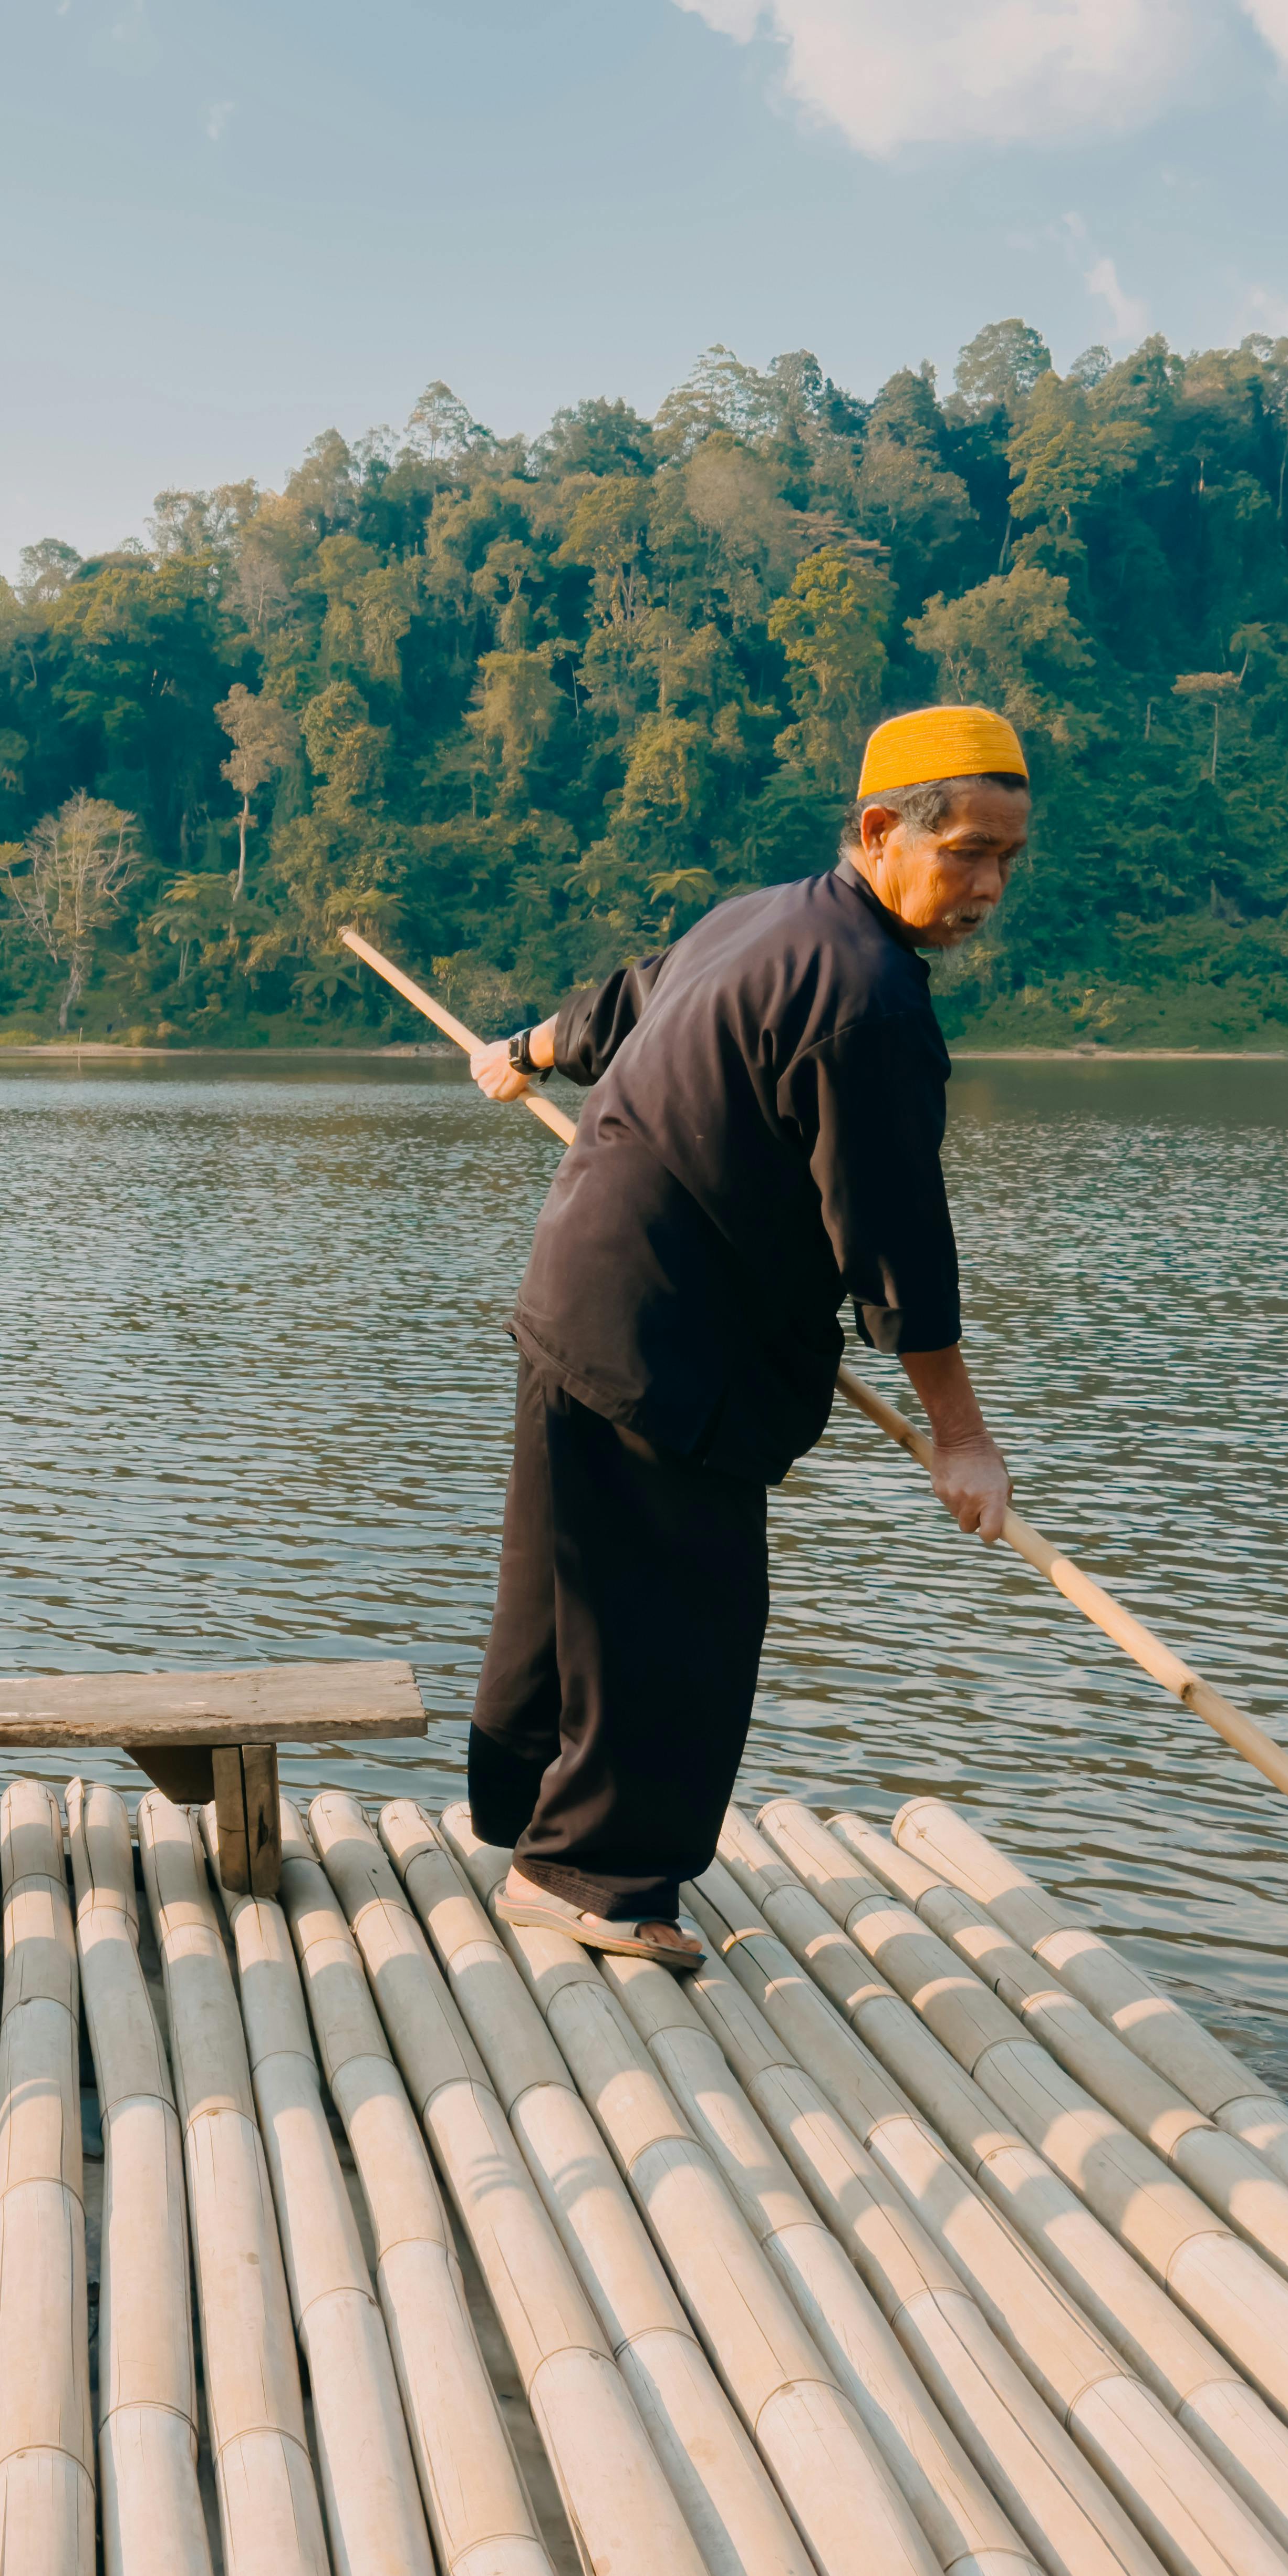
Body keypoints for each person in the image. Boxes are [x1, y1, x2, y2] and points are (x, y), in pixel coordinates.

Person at [458, 704, 1030, 1968]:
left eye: (1007, 859)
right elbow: (895, 1245)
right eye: (968, 852)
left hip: (579, 1293)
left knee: (566, 1583)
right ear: (883, 831)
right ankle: (587, 1874)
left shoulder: (767, 916)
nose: (988, 885)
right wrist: (962, 1439)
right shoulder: (869, 1000)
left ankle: (520, 1813)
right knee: (676, 1613)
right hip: (667, 1338)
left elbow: (633, 1001)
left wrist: (538, 1048)